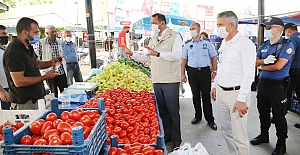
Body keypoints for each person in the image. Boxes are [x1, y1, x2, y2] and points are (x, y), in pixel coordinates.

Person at [122, 13, 182, 151]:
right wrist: (132, 54)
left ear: (162, 23)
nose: (152, 26)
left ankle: (177, 141)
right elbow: (146, 57)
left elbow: (177, 55)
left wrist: (159, 54)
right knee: (163, 112)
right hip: (157, 79)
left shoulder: (175, 36)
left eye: (154, 23)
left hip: (170, 80)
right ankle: (168, 136)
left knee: (173, 112)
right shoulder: (153, 39)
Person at [210, 11, 256, 155]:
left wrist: (242, 99)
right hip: (222, 93)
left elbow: (249, 74)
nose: (218, 28)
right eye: (217, 24)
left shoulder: (245, 44)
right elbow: (221, 66)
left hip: (237, 95)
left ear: (231, 24)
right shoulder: (224, 42)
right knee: (225, 130)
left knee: (239, 136)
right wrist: (215, 85)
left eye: (220, 25)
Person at [251, 17, 294, 155]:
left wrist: (262, 66)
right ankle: (264, 135)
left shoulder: (287, 45)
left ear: (279, 29)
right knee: (263, 112)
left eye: (270, 27)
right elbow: (254, 61)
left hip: (278, 86)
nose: (267, 30)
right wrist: (263, 62)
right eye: (266, 27)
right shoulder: (264, 45)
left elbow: (278, 66)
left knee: (278, 116)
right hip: (263, 85)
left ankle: (281, 144)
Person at [2, 17, 59, 111]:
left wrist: (51, 62)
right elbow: (19, 81)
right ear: (25, 33)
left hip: (36, 99)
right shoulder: (14, 51)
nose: (38, 35)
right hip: (25, 103)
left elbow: (37, 63)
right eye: (35, 32)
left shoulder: (28, 46)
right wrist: (45, 77)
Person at [182, 22, 217, 130]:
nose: (192, 30)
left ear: (198, 29)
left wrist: (215, 70)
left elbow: (213, 57)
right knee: (195, 96)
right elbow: (184, 59)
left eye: (193, 28)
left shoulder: (207, 43)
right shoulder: (187, 44)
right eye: (190, 29)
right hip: (192, 72)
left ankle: (210, 119)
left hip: (205, 72)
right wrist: (183, 73)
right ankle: (198, 116)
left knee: (206, 96)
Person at [36, 25, 68, 97]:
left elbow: (63, 53)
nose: (54, 33)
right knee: (53, 94)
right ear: (47, 33)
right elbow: (38, 57)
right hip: (49, 72)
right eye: (52, 32)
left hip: (60, 71)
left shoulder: (60, 42)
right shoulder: (41, 43)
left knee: (65, 92)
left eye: (55, 32)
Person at [283, 23, 300, 129]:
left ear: (288, 31)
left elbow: (291, 54)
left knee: (286, 93)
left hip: (294, 71)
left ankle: (280, 117)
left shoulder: (292, 39)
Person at [0, 25, 10, 110]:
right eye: (3, 34)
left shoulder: (6, 49)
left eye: (6, 33)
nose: (6, 36)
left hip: (9, 87)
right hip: (2, 88)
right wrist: (1, 91)